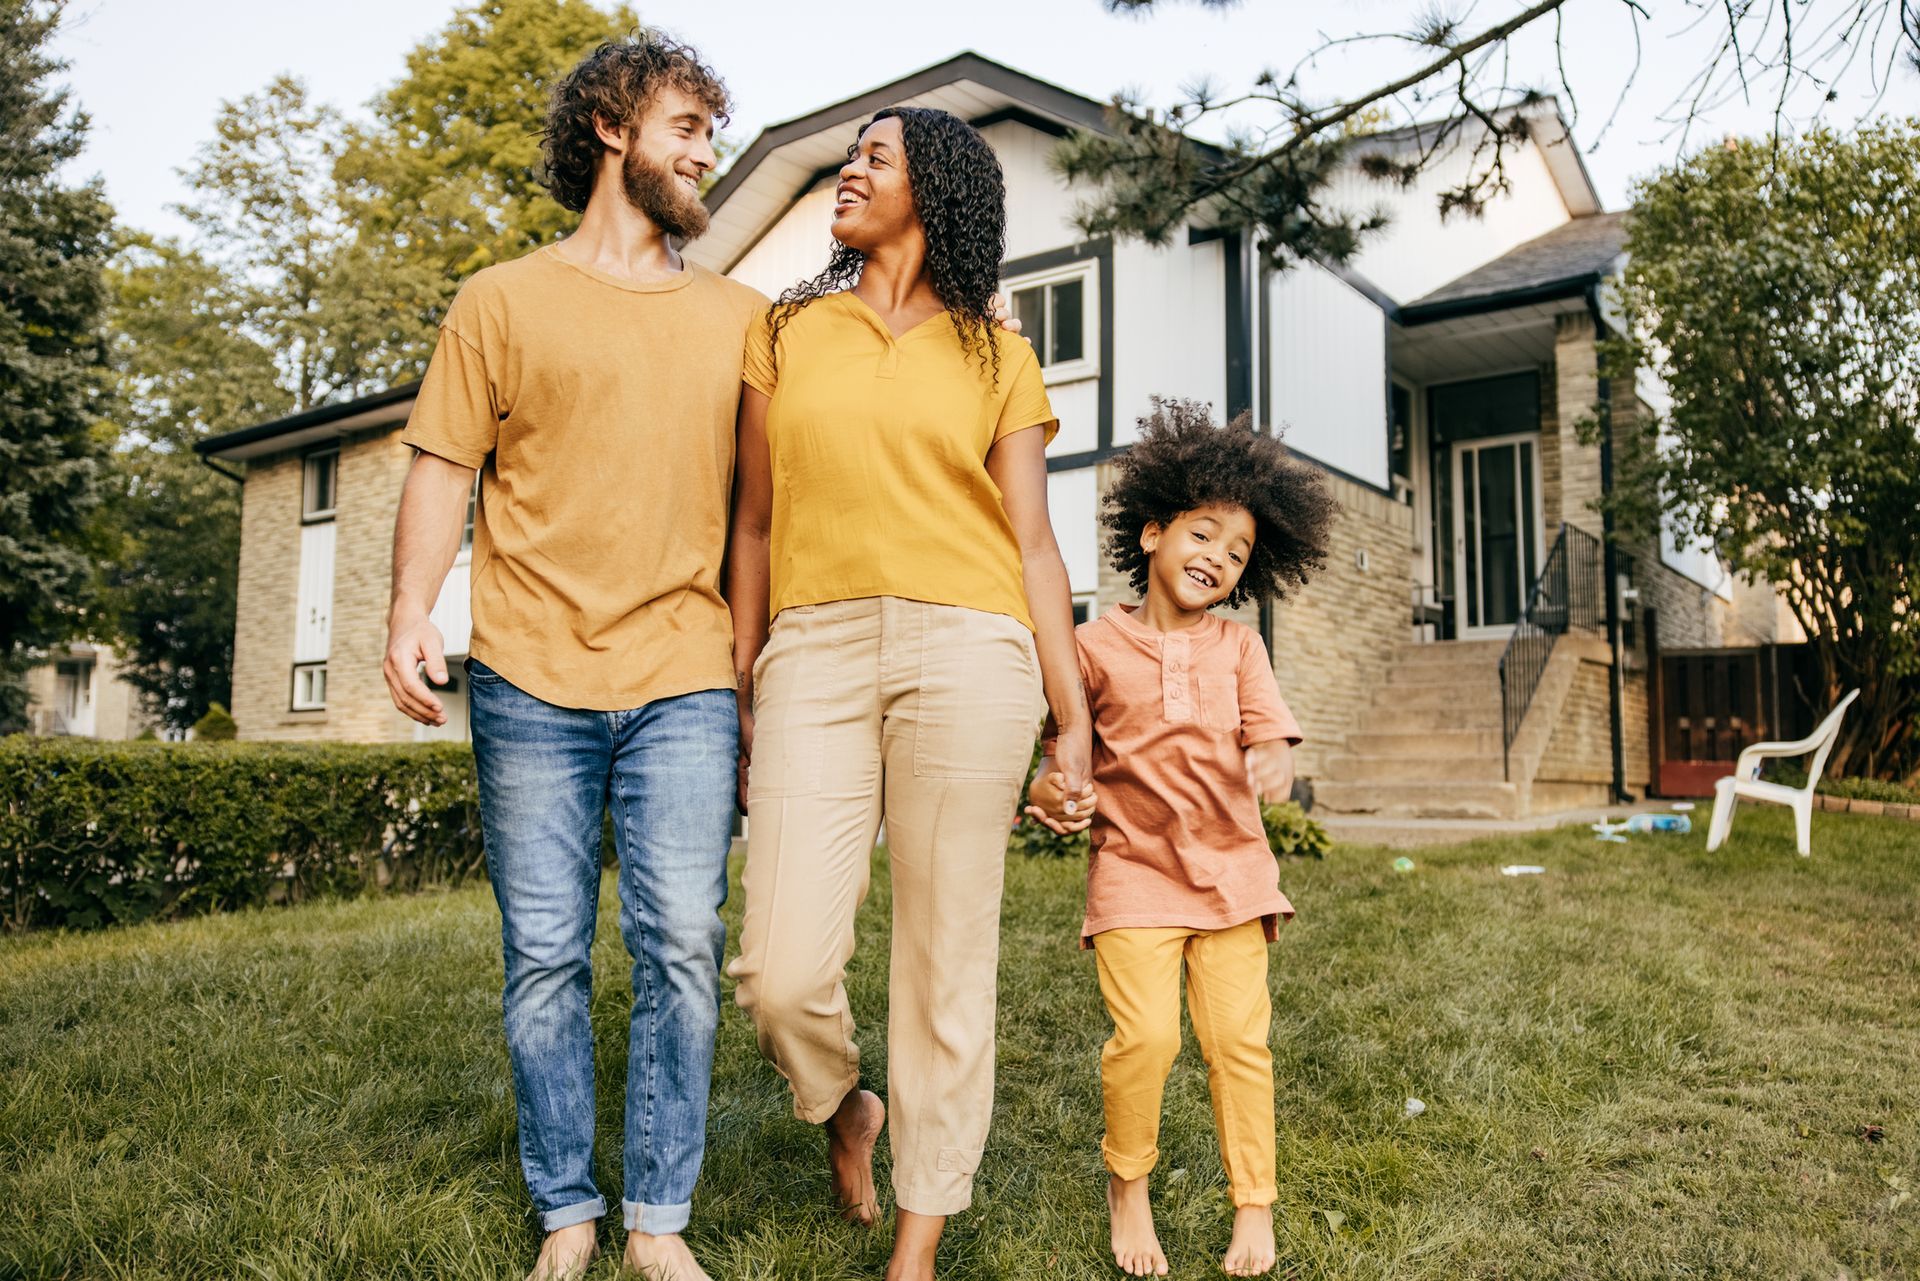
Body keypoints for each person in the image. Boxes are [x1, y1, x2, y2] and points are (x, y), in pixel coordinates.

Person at [382, 33, 762, 1281]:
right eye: (687, 125)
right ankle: (568, 1210)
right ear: (611, 126)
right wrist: (406, 616)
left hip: (685, 671)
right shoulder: (501, 299)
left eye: (713, 129)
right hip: (530, 674)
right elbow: (445, 466)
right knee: (544, 954)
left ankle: (657, 1218)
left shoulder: (743, 319)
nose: (708, 150)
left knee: (682, 946)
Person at [724, 106, 1093, 1281]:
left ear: (933, 190)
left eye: (875, 157)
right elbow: (753, 519)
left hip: (971, 651)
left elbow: (1034, 545)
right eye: (851, 154)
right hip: (813, 650)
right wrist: (745, 671)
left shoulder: (996, 354)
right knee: (778, 970)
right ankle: (846, 1110)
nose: (849, 170)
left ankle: (919, 1242)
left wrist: (1071, 715)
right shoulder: (788, 333)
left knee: (945, 959)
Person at [1025, 400, 1335, 1279]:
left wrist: (1271, 754)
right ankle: (1130, 1182)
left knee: (1239, 1040)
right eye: (1203, 535)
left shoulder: (1239, 648)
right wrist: (1052, 791)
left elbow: (1268, 729)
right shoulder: (1090, 646)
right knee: (1148, 1039)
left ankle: (1254, 1204)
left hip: (1235, 878)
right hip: (1134, 875)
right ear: (1152, 531)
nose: (1218, 560)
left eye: (1237, 554)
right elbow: (1057, 750)